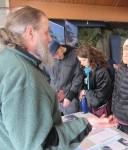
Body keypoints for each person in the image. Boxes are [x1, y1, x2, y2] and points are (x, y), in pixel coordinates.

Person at [0, 6, 93, 150]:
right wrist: (88, 123)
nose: (50, 38)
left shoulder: (9, 59)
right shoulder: (24, 75)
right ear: (30, 32)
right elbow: (41, 145)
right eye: (46, 32)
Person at [44, 40, 83, 115]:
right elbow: (46, 77)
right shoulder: (50, 59)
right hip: (54, 100)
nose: (56, 57)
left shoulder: (75, 55)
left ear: (60, 47)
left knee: (72, 124)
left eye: (56, 53)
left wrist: (70, 96)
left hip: (69, 100)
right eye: (53, 56)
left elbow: (78, 78)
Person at [76, 45, 112, 117]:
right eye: (80, 61)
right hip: (92, 107)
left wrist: (85, 92)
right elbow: (86, 85)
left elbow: (97, 100)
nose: (81, 63)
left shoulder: (102, 72)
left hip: (102, 110)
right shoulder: (87, 69)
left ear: (91, 58)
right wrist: (82, 91)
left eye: (84, 60)